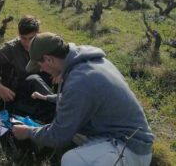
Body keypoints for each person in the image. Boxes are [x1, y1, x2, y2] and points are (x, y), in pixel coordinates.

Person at [12, 32, 154, 165]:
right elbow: (78, 99)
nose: (41, 70)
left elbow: (59, 135)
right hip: (121, 134)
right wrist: (48, 97)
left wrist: (28, 132)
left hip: (131, 148)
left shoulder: (79, 81)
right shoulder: (87, 62)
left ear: (49, 59)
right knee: (73, 134)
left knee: (70, 160)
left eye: (39, 64)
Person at [0, 15, 55, 121]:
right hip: (18, 94)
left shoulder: (43, 44)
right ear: (19, 35)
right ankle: (58, 109)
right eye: (23, 38)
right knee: (34, 79)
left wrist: (58, 73)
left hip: (41, 88)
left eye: (31, 38)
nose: (27, 43)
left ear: (38, 33)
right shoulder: (11, 48)